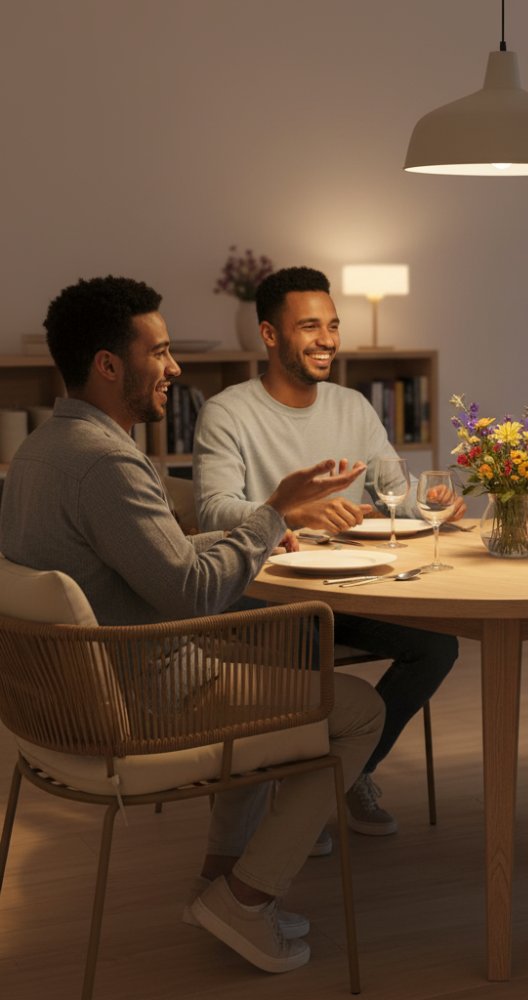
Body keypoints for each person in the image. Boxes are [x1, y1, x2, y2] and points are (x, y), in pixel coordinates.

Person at [0, 275, 386, 975]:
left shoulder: (38, 452)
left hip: (57, 706)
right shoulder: (108, 462)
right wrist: (272, 515)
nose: (175, 369)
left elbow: (156, 560)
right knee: (357, 708)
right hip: (140, 701)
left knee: (263, 687)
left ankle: (217, 879)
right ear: (109, 365)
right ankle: (245, 897)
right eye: (163, 351)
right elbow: (189, 594)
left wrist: (267, 527)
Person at [193, 265, 463, 836]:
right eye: (310, 326)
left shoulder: (354, 406)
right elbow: (212, 511)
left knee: (437, 646)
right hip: (269, 595)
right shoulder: (227, 412)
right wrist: (285, 511)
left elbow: (393, 489)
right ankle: (299, 799)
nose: (328, 340)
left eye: (333, 326)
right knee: (307, 637)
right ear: (270, 335)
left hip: (350, 585)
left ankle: (341, 775)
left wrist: (430, 498)